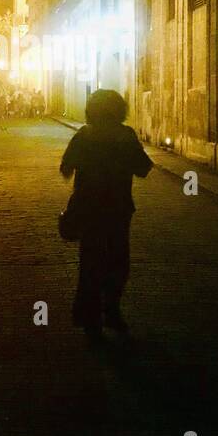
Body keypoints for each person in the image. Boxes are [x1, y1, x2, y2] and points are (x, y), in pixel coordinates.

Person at [59, 89, 152, 336]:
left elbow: (66, 167)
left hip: (89, 208)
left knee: (90, 262)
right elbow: (143, 168)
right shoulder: (126, 136)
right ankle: (111, 310)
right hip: (118, 208)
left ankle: (89, 316)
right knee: (118, 261)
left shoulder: (84, 135)